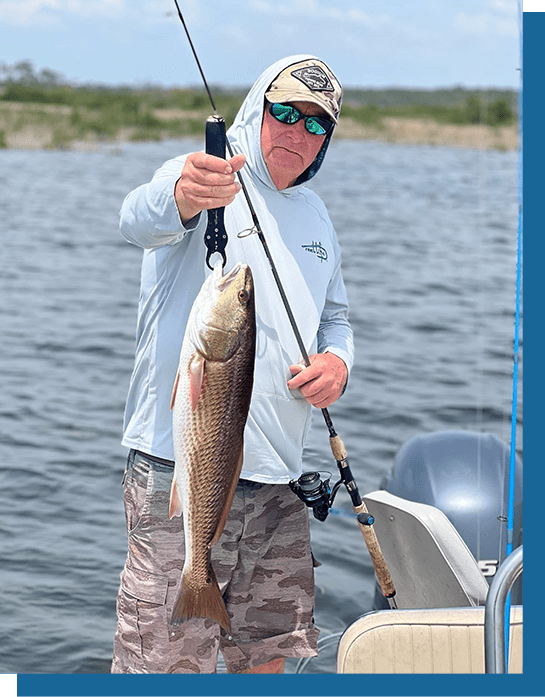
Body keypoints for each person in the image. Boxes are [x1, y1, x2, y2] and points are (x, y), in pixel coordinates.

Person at [111, 54, 354, 675]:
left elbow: (337, 319)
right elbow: (136, 220)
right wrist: (181, 197)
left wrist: (337, 363)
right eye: (285, 113)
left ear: (327, 137)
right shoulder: (205, 172)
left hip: (280, 479)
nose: (298, 134)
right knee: (164, 666)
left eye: (316, 125)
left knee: (269, 659)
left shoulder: (317, 215)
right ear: (258, 106)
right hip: (180, 466)